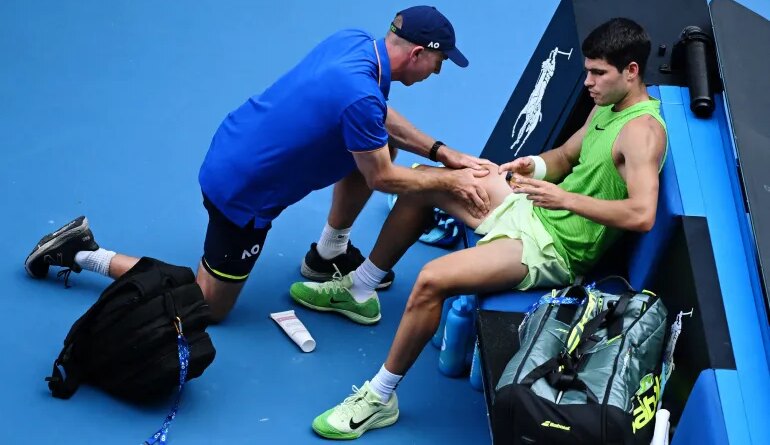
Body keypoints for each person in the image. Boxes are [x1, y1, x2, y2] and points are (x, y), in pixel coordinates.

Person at [296, 17, 668, 439]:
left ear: (632, 71)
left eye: (598, 73)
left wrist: (563, 198)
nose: (588, 82)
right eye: (587, 70)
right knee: (423, 179)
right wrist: (534, 166)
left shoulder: (643, 133)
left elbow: (642, 214)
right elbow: (566, 155)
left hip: (556, 246)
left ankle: (379, 399)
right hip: (534, 208)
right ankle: (362, 289)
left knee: (432, 279)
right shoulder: (606, 105)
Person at [23, 6, 493, 323]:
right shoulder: (360, 96)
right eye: (438, 63)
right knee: (209, 305)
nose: (437, 72)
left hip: (236, 144)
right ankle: (82, 252)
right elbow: (382, 178)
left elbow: (378, 121)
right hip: (243, 192)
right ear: (417, 53)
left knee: (382, 145)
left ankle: (327, 253)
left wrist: (439, 151)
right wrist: (449, 181)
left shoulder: (354, 45)